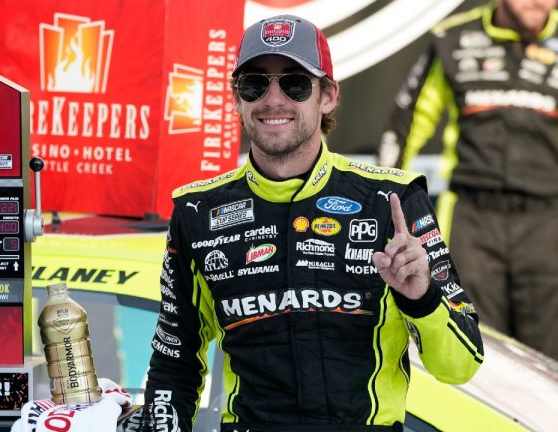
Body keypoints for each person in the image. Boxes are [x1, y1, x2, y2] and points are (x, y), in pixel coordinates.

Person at [140, 14, 484, 432]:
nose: (273, 99)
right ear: (236, 98)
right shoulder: (197, 211)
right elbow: (173, 367)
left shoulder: (391, 201)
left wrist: (422, 298)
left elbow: (460, 366)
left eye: (295, 83)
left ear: (328, 97)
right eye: (254, 83)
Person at [377, 0, 558, 359]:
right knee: (478, 347)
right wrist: (385, 205)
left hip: (548, 224)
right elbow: (404, 127)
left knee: (549, 357)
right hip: (472, 221)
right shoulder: (452, 38)